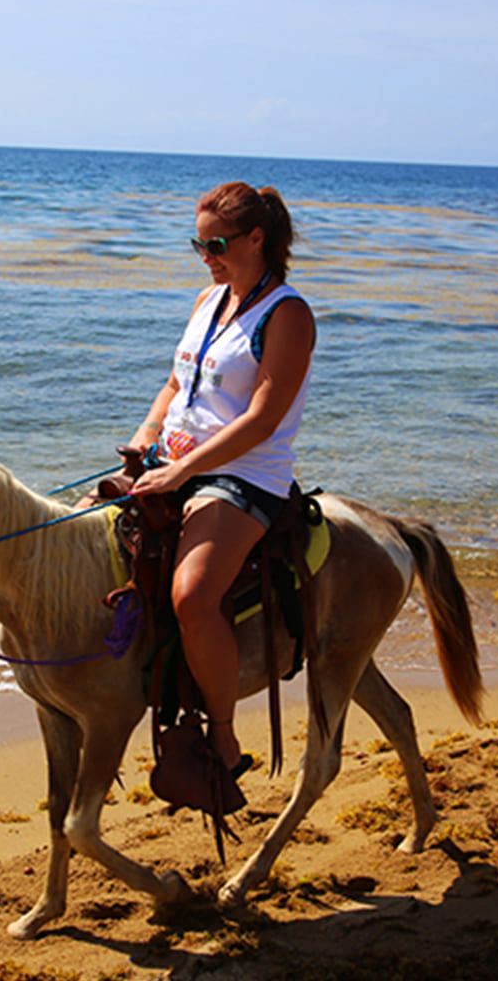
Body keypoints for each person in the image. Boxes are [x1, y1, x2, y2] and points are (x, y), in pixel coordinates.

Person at [126, 182, 316, 773]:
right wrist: (143, 439)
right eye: (198, 244)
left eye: (216, 244)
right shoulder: (208, 302)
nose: (206, 256)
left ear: (256, 239)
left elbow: (262, 420)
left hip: (242, 476)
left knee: (192, 595)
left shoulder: (287, 314)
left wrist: (182, 471)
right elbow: (175, 386)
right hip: (173, 460)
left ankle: (225, 736)